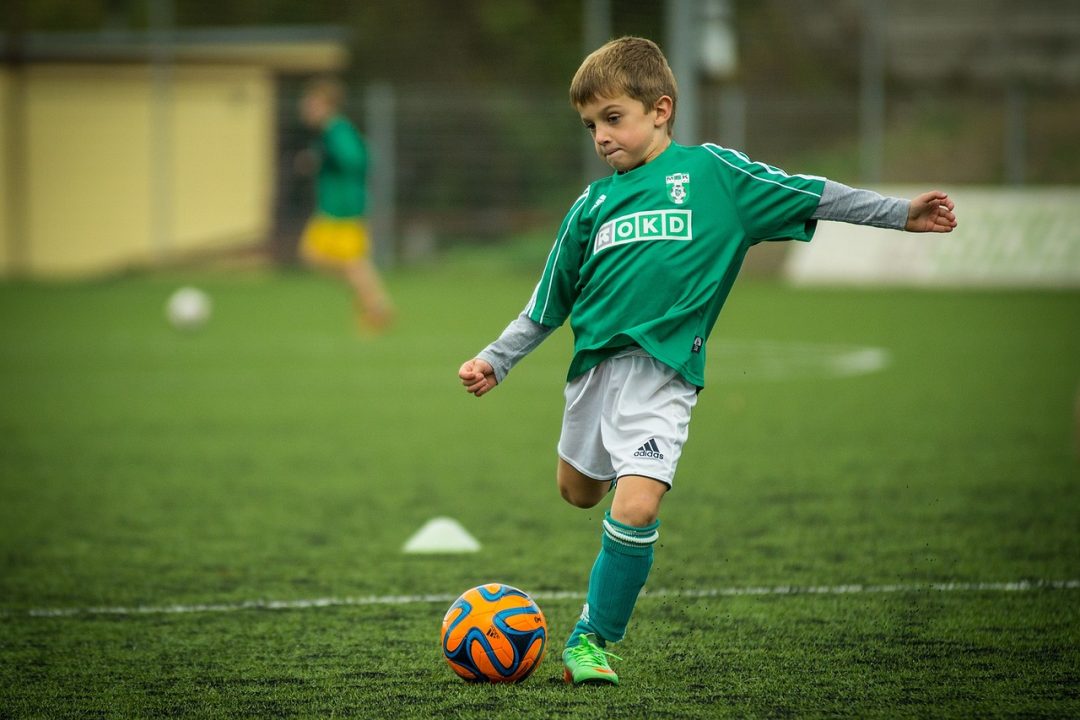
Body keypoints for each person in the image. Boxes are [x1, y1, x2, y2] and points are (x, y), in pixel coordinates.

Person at [458, 37, 956, 687]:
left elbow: (811, 194)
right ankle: (619, 479)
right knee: (578, 492)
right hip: (593, 376)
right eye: (590, 126)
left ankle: (591, 639)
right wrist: (497, 361)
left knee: (635, 508)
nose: (601, 137)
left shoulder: (715, 177)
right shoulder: (592, 206)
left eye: (614, 118)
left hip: (664, 376)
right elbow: (547, 303)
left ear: (660, 109)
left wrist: (899, 214)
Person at [297, 77, 394, 333]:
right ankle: (373, 302)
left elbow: (357, 159)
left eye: (312, 104)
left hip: (344, 208)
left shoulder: (336, 130)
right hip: (332, 208)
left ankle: (376, 306)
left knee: (350, 263)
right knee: (318, 257)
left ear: (327, 105)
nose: (306, 108)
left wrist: (326, 158)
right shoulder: (329, 133)